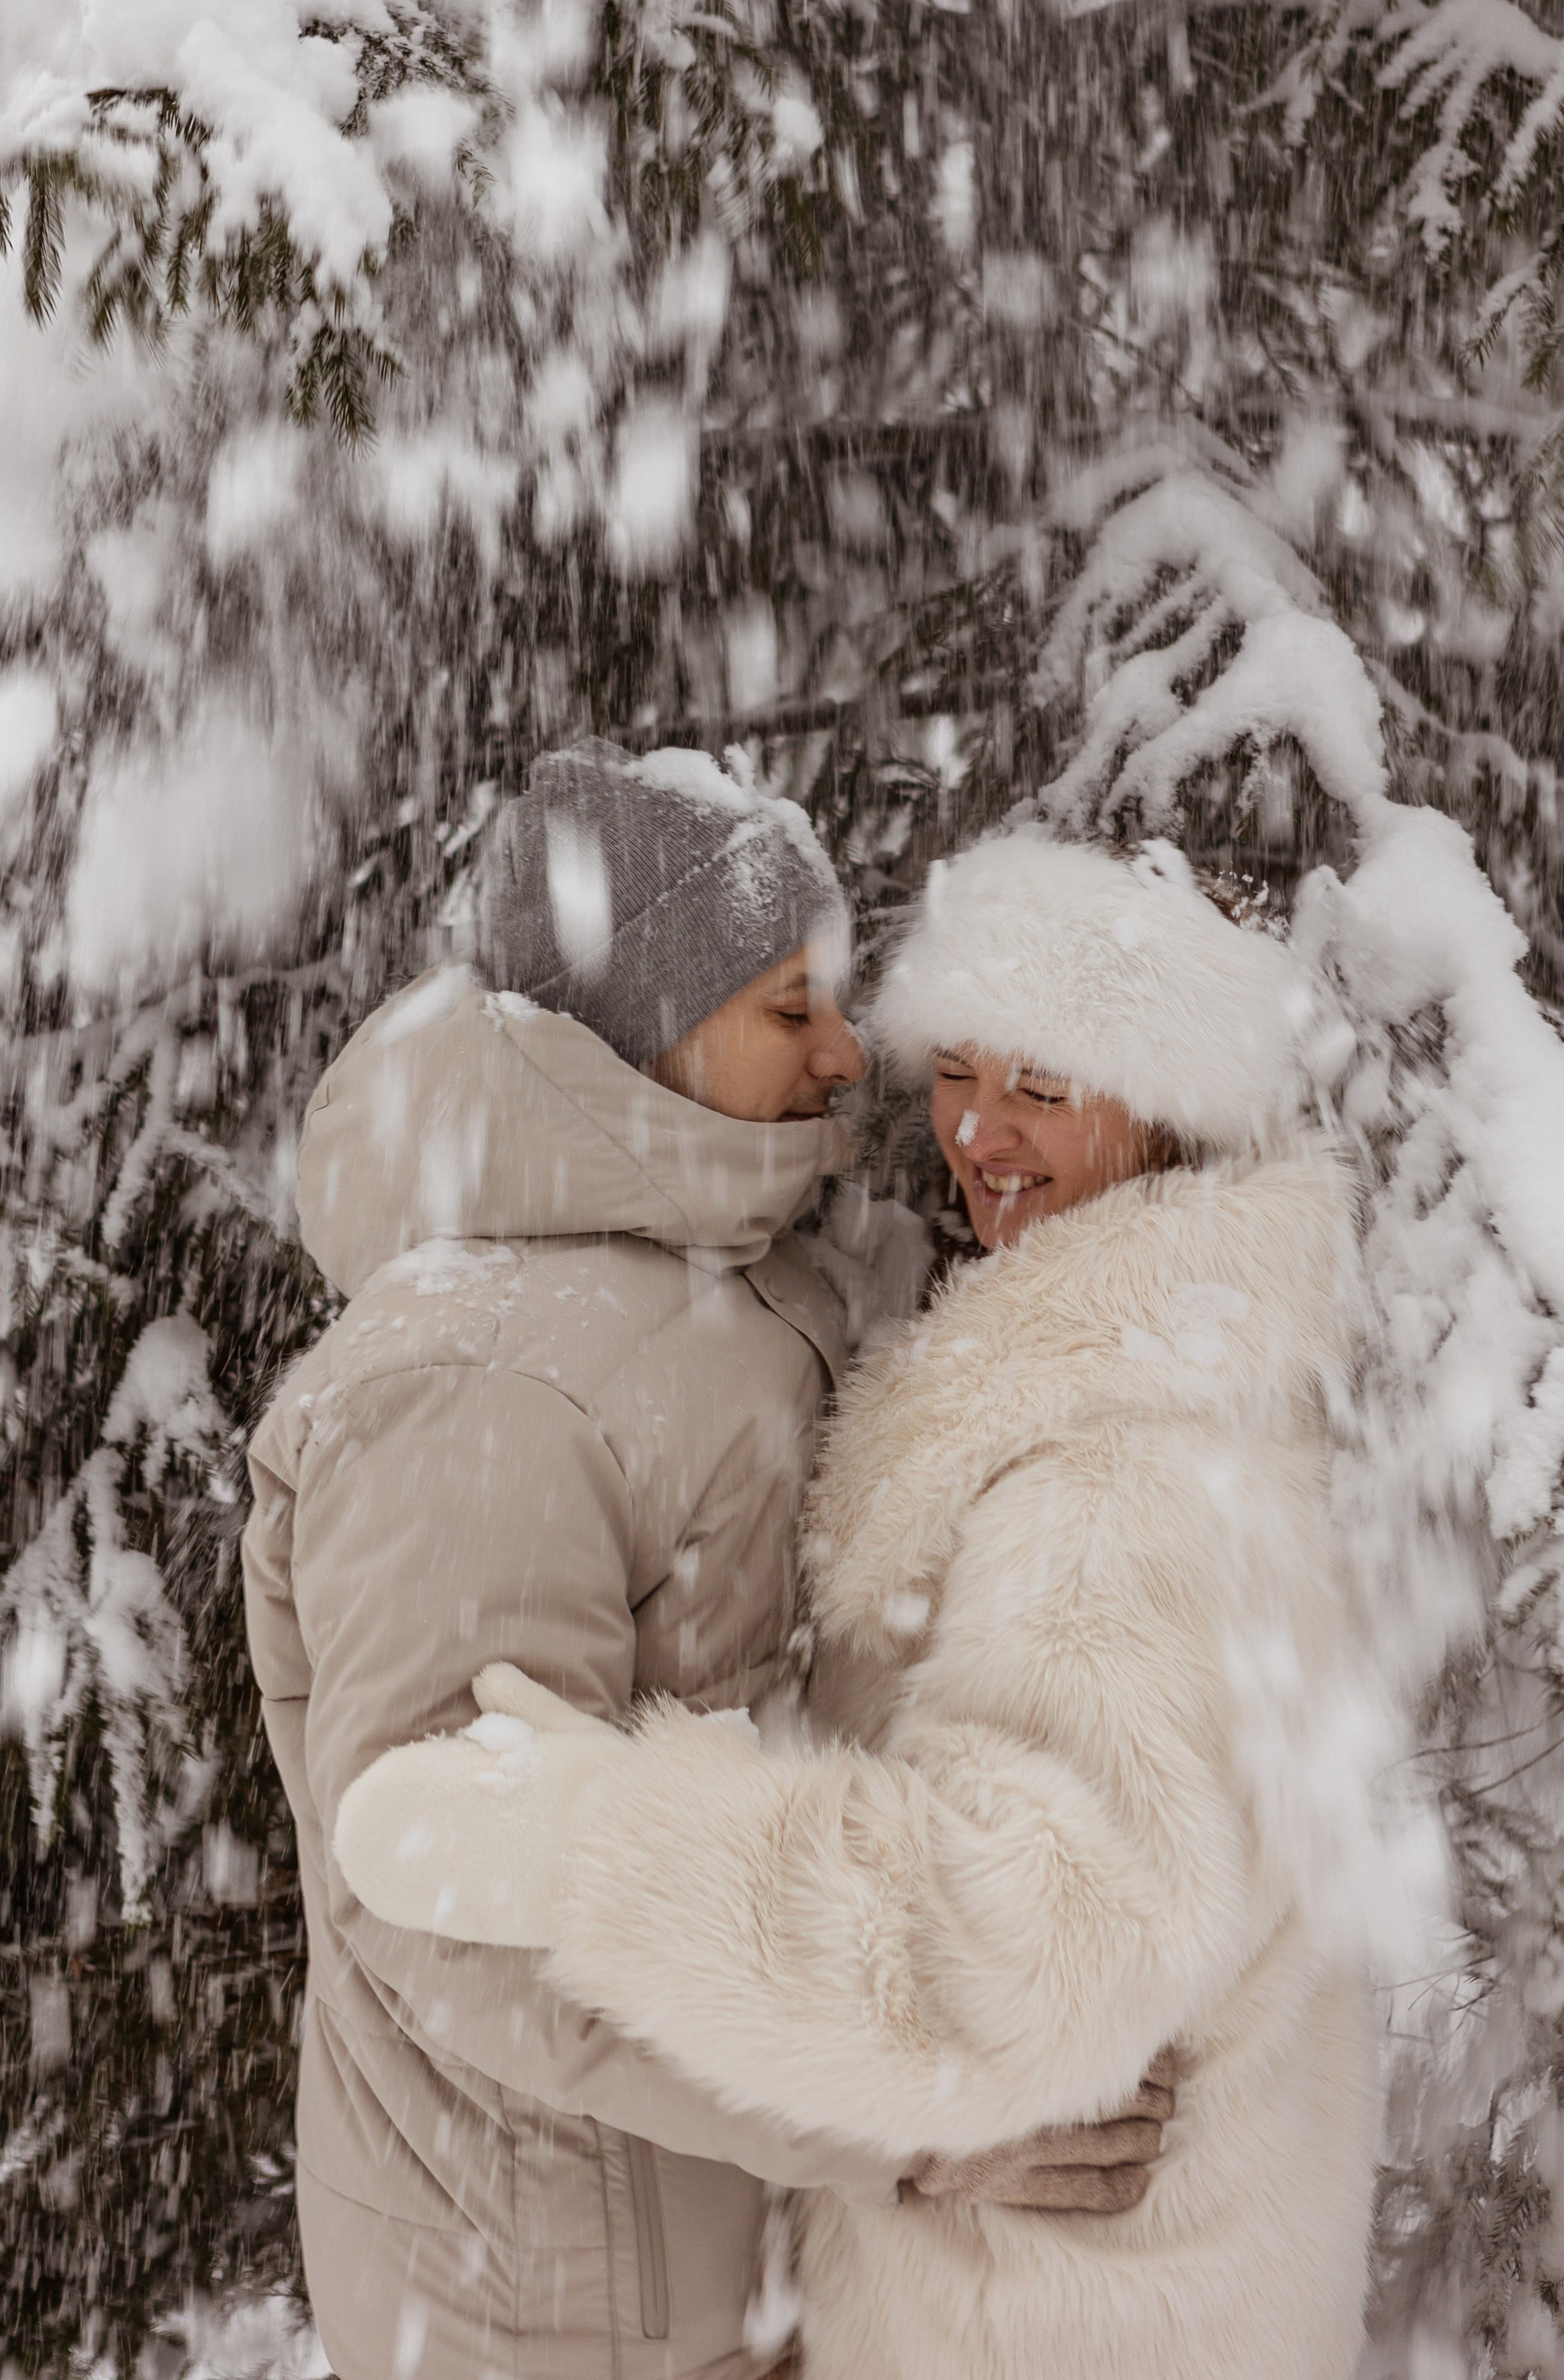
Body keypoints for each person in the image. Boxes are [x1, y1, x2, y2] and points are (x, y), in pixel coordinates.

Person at [338, 828, 1383, 2380]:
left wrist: (584, 1844)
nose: (978, 1132)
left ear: (1167, 1109)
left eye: (1042, 1087)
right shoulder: (1156, 1363)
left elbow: (1010, 1954)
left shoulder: (1129, 1469)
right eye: (957, 1071)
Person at [244, 753, 1166, 2380]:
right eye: (784, 1008)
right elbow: (474, 1910)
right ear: (650, 1037)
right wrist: (904, 2102)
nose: (842, 1052)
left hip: (720, 2251)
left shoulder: (728, 1271)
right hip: (559, 2306)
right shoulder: (471, 1380)